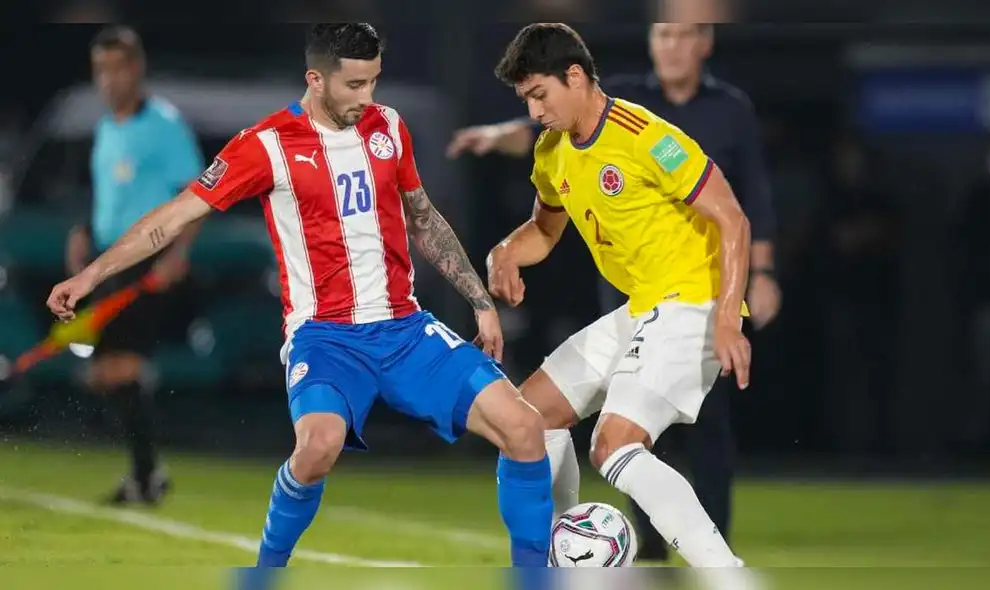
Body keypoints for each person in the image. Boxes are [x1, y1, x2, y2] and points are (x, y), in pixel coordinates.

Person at [48, 23, 553, 569]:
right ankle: (265, 573)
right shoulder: (265, 145)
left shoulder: (389, 128)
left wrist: (479, 300)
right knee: (315, 450)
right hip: (326, 338)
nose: (368, 99)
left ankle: (531, 578)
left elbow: (424, 219)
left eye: (374, 82)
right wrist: (90, 277)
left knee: (524, 428)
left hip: (405, 330)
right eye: (355, 85)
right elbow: (170, 219)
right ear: (316, 79)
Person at [449, 22, 779, 560]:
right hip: (643, 305)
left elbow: (733, 219)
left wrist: (726, 318)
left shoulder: (644, 134)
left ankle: (727, 573)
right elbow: (545, 230)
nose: (534, 112)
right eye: (525, 99)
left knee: (614, 444)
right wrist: (503, 252)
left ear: (574, 76)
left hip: (691, 300)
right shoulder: (554, 151)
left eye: (539, 95)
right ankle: (567, 559)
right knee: (528, 417)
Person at [66, 25, 204, 505]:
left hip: (147, 261)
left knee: (121, 367)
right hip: (109, 263)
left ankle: (146, 478)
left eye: (115, 69)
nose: (106, 80)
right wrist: (84, 231)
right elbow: (109, 196)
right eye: (99, 70)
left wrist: (178, 254)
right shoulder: (108, 128)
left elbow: (196, 195)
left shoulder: (163, 126)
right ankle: (149, 471)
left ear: (136, 68)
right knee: (103, 373)